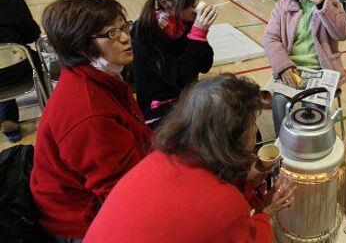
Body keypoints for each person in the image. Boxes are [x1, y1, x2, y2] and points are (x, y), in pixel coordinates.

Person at [85, 74, 295, 243]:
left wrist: (245, 184)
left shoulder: (162, 156)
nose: (255, 129)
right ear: (233, 134)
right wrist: (267, 213)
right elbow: (244, 232)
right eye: (252, 122)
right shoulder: (223, 205)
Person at [30, 0, 152, 241]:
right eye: (111, 34)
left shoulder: (95, 77)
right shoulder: (90, 114)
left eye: (124, 26)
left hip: (93, 199)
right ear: (80, 46)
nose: (126, 37)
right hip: (81, 223)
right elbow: (119, 195)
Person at [263, 0, 346, 134]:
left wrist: (322, 7)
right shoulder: (284, 4)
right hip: (292, 68)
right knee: (279, 101)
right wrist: (284, 66)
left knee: (311, 106)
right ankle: (284, 142)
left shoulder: (331, 1)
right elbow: (270, 38)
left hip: (321, 68)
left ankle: (310, 146)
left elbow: (343, 33)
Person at [132, 0, 216, 127]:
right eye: (187, 0)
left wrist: (200, 32)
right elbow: (182, 79)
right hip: (158, 108)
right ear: (164, 2)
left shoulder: (184, 20)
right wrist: (197, 35)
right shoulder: (148, 32)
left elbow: (205, 65)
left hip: (185, 97)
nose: (193, 4)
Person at [0, 0, 41, 142]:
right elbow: (32, 35)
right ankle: (53, 108)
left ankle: (8, 119)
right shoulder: (9, 0)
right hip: (15, 69)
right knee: (40, 64)